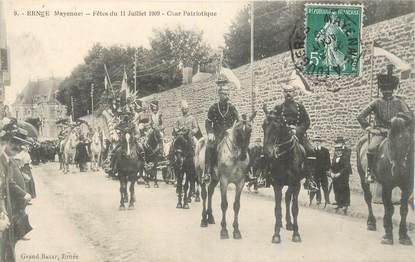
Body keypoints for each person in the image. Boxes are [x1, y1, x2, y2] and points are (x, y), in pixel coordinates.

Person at [357, 64, 413, 182]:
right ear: (381, 90)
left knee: (409, 145)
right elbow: (360, 116)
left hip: (396, 132)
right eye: (384, 90)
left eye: (389, 90)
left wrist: (399, 117)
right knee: (372, 148)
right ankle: (370, 172)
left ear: (393, 89)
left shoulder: (399, 102)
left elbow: (409, 116)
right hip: (380, 132)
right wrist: (369, 128)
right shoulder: (376, 102)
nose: (387, 92)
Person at [0, 118, 33, 262]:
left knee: (8, 247)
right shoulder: (3, 159)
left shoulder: (6, 159)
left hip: (9, 210)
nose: (17, 148)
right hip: (5, 211)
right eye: (12, 143)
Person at [204, 76, 239, 182]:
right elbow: (208, 122)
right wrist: (210, 132)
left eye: (228, 94)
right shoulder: (213, 107)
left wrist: (232, 129)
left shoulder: (232, 108)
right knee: (210, 147)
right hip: (217, 134)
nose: (227, 96)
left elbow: (238, 121)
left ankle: (245, 171)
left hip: (229, 134)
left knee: (242, 145)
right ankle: (208, 171)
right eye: (224, 94)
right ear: (219, 95)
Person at [272, 83, 314, 156]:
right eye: (286, 91)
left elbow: (307, 122)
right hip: (282, 138)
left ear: (294, 93)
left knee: (311, 151)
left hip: (298, 136)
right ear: (283, 93)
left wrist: (297, 130)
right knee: (268, 153)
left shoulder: (300, 107)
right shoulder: (278, 108)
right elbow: (274, 123)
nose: (288, 93)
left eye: (290, 91)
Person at [330, 136, 352, 214]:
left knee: (344, 186)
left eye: (340, 143)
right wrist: (332, 172)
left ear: (343, 143)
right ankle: (338, 202)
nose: (339, 144)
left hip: (344, 171)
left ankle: (345, 203)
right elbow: (333, 162)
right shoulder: (337, 150)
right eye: (337, 143)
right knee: (336, 186)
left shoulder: (347, 150)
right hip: (336, 171)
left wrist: (339, 173)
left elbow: (346, 163)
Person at [310, 135, 331, 205]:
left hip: (323, 172)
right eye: (315, 141)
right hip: (315, 172)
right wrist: (311, 172)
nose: (317, 143)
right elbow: (310, 163)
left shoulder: (325, 150)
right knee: (317, 186)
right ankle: (318, 199)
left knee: (325, 186)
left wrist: (327, 170)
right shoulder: (312, 151)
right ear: (314, 142)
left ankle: (327, 200)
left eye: (318, 141)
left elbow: (328, 161)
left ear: (320, 142)